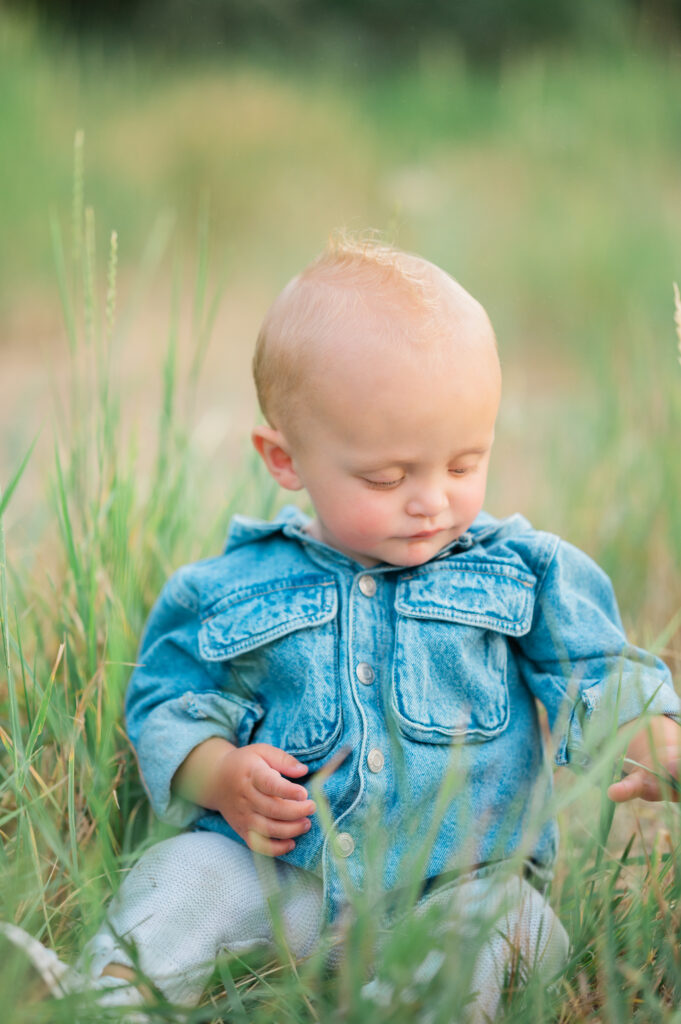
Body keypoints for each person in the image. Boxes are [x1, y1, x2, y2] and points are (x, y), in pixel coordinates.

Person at [4, 237, 680, 1021]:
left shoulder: (519, 572)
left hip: (458, 886)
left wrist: (651, 737)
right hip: (284, 882)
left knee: (500, 926)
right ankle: (105, 999)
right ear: (284, 459)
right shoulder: (230, 586)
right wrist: (218, 774)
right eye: (386, 476)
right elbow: (166, 706)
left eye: (464, 464)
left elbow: (594, 671)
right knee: (186, 874)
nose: (430, 500)